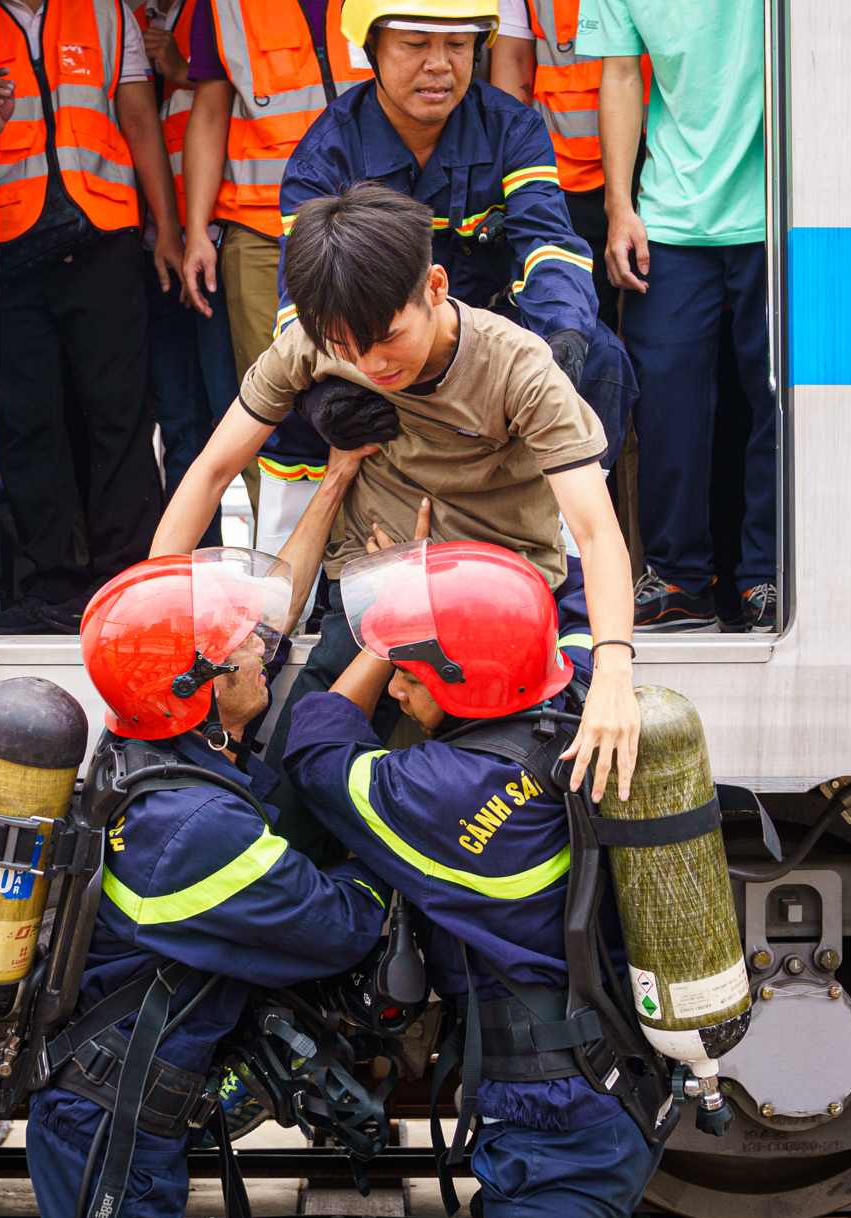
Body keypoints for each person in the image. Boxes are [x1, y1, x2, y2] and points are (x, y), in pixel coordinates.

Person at [27, 464, 391, 1218]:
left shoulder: (155, 757)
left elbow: (273, 689)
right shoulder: (197, 835)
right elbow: (340, 922)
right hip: (111, 1137)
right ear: (197, 687)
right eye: (240, 653)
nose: (260, 653)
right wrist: (392, 847)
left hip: (101, 1108)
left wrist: (329, 492)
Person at [283, 538, 650, 1218]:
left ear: (467, 680)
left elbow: (314, 752)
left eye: (412, 664)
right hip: (608, 1090)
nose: (399, 679)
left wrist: (365, 644)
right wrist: (424, 585)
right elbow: (564, 600)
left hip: (552, 1120)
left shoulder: (446, 795)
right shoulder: (571, 693)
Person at [151, 184, 641, 841]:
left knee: (473, 818)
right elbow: (210, 471)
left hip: (496, 614)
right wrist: (154, 620)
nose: (371, 365)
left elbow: (593, 529)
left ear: (435, 286)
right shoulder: (313, 343)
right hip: (371, 593)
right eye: (346, 350)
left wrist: (614, 670)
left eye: (386, 340)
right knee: (295, 797)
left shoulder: (516, 367)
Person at [254, 0, 636, 571]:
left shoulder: (512, 127)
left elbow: (546, 243)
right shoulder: (326, 151)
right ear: (370, 46)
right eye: (415, 44)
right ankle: (288, 578)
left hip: (486, 351)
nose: (439, 64)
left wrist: (563, 340)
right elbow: (303, 304)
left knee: (600, 360)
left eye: (459, 44)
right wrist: (330, 389)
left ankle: (568, 562)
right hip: (375, 356)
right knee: (297, 403)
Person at [577, 0, 775, 632]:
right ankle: (681, 579)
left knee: (780, 398)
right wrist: (621, 205)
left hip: (786, 208)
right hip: (677, 210)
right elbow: (621, 74)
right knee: (667, 409)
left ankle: (768, 570)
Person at [0, 0, 179, 634]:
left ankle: (124, 583)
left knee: (118, 418)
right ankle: (48, 587)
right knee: (30, 420)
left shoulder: (104, 7)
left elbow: (140, 121)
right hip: (7, 250)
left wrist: (165, 229)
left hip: (103, 241)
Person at [176, 0, 375, 516]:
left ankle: (370, 568)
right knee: (271, 405)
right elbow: (209, 114)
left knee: (379, 393)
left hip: (372, 228)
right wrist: (198, 230)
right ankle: (280, 575)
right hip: (262, 237)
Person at [490, 0, 655, 565]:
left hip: (671, 190)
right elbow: (511, 73)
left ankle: (657, 561)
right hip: (562, 197)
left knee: (662, 382)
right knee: (576, 374)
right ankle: (583, 559)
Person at [114, 0, 237, 539]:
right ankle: (196, 575)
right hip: (149, 243)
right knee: (178, 417)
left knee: (233, 411)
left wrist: (185, 66)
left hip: (220, 235)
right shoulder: (120, 17)